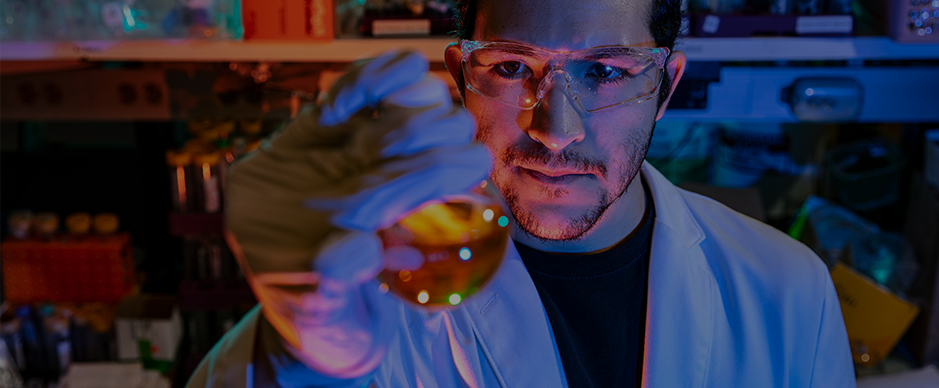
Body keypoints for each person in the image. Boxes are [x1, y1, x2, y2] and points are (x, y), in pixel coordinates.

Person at [187, 0, 857, 385]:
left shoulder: (783, 288)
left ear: (665, 86)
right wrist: (298, 357)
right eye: (512, 67)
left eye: (606, 70)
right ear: (461, 76)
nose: (556, 130)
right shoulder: (378, 282)